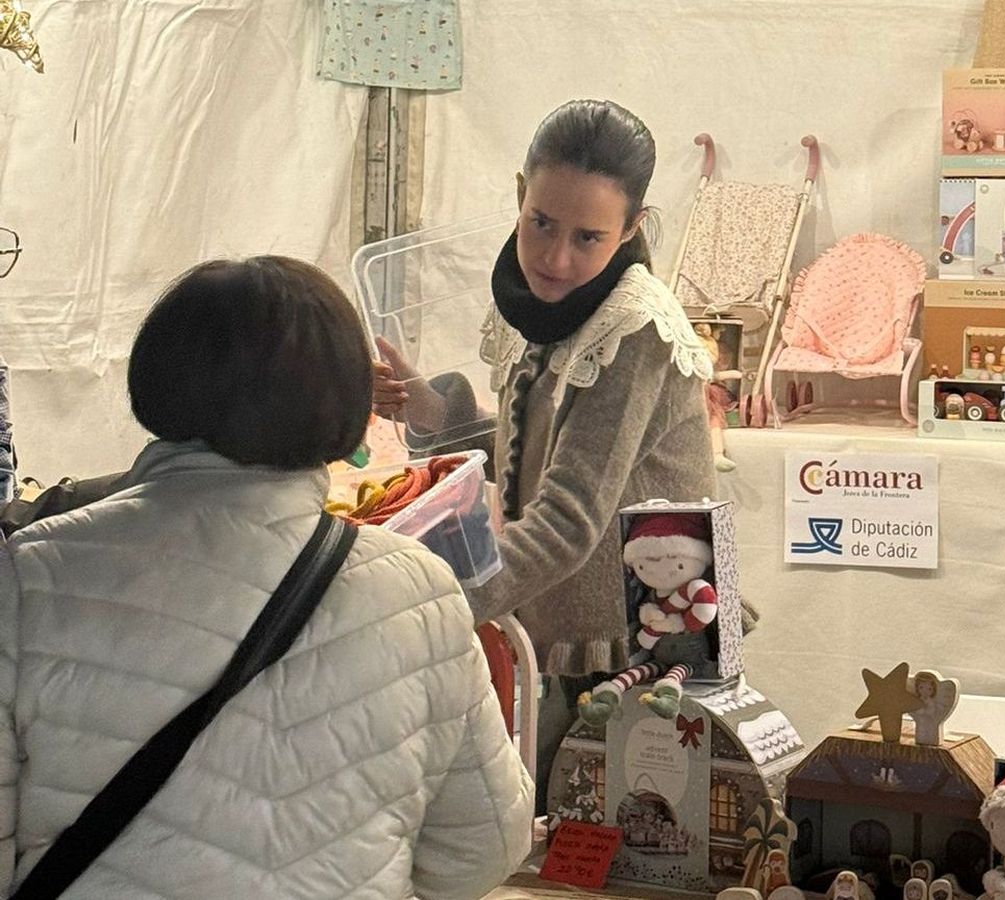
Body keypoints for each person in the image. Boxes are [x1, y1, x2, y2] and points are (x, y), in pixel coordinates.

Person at [0, 257, 534, 898]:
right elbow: (482, 850)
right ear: (347, 400)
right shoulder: (420, 593)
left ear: (158, 377)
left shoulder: (29, 578)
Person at [371, 99, 718, 810]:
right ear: (518, 194)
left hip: (633, 646)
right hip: (556, 626)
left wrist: (434, 606)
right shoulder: (539, 302)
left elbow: (567, 519)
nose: (556, 257)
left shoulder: (634, 328)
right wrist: (432, 410)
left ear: (632, 230)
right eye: (540, 224)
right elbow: (530, 445)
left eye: (589, 237)